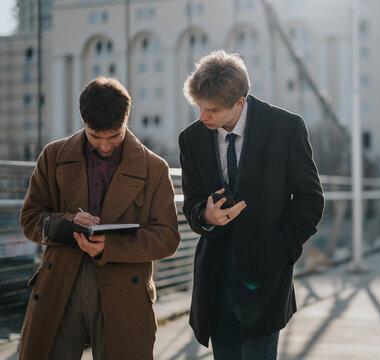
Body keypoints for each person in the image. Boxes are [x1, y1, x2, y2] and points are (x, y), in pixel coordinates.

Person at [18, 76, 181, 360]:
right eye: (96, 137)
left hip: (123, 285)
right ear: (83, 120)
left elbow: (167, 238)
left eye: (114, 137)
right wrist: (68, 221)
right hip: (60, 283)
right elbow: (30, 219)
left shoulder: (154, 168)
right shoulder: (53, 156)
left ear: (126, 121)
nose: (105, 146)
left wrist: (111, 247)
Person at [179, 50, 324, 359]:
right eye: (199, 107)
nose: (203, 116)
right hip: (214, 281)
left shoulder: (287, 127)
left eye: (212, 110)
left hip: (266, 278)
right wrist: (205, 214)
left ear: (239, 102)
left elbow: (310, 200)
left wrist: (282, 250)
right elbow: (190, 202)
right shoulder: (190, 139)